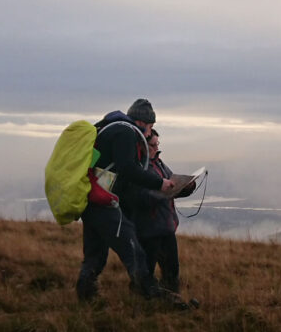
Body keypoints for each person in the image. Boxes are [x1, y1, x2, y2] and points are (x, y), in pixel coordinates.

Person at [76, 99, 175, 302]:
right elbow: (128, 169)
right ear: (143, 122)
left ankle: (85, 297)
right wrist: (159, 183)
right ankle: (151, 295)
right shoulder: (125, 133)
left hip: (92, 200)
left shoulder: (111, 128)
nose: (149, 133)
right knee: (133, 249)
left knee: (95, 254)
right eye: (151, 127)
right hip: (104, 204)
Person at [130, 129, 195, 294]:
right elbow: (139, 197)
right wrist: (163, 193)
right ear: (142, 145)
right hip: (148, 230)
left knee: (171, 272)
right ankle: (141, 302)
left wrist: (188, 187)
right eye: (152, 145)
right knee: (145, 273)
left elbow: (172, 185)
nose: (156, 148)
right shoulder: (137, 168)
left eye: (157, 144)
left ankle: (172, 299)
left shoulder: (159, 163)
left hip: (166, 227)